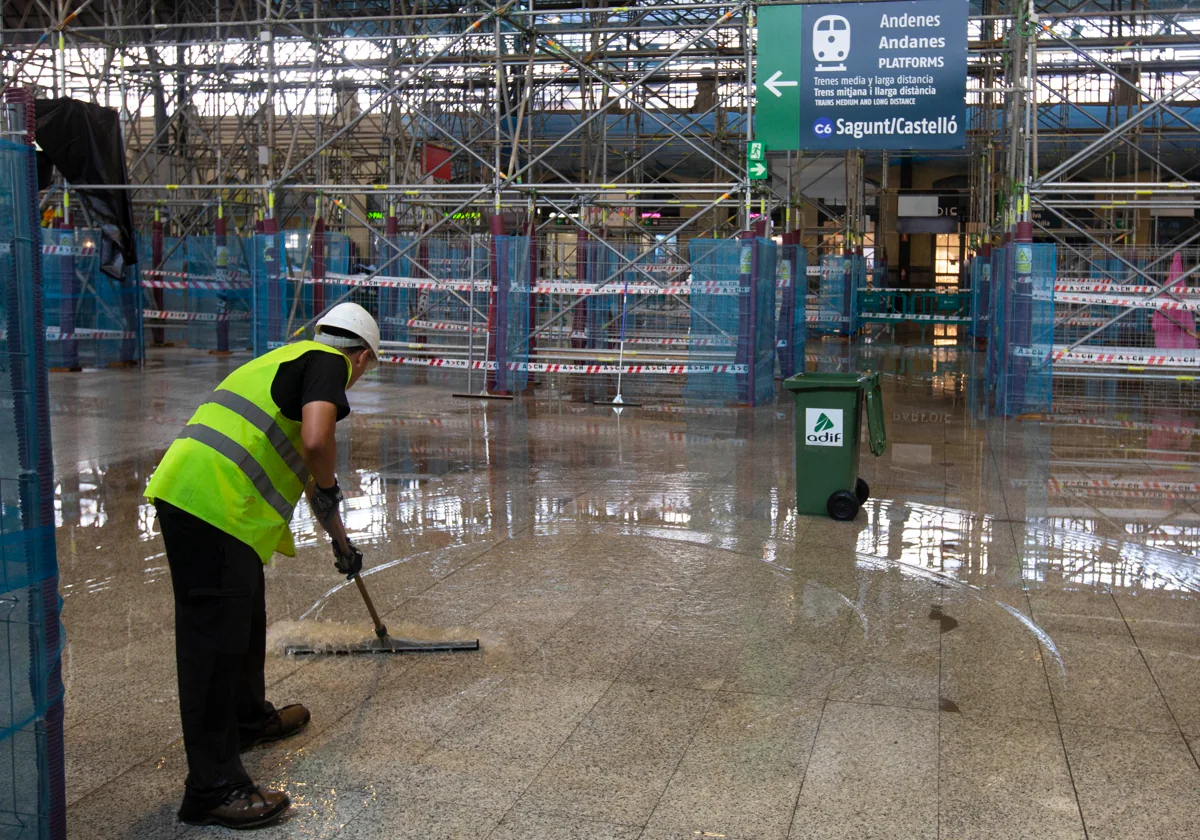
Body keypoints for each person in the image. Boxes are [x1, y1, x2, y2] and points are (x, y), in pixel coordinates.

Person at [144, 302, 380, 829]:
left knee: (244, 618)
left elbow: (309, 471)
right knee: (213, 643)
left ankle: (249, 719)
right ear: (361, 356)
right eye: (365, 368)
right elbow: (317, 441)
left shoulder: (290, 356)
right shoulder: (328, 364)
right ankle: (213, 788)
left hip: (216, 504)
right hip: (209, 504)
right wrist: (329, 486)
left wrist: (340, 541)